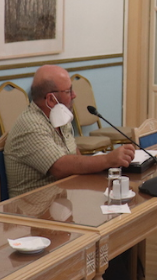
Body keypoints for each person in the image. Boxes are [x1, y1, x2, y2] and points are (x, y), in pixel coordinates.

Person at [5, 65, 136, 198]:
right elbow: (60, 167)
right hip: (32, 205)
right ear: (51, 99)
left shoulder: (59, 116)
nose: (74, 95)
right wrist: (108, 159)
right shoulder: (30, 125)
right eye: (68, 91)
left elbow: (75, 157)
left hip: (62, 198)